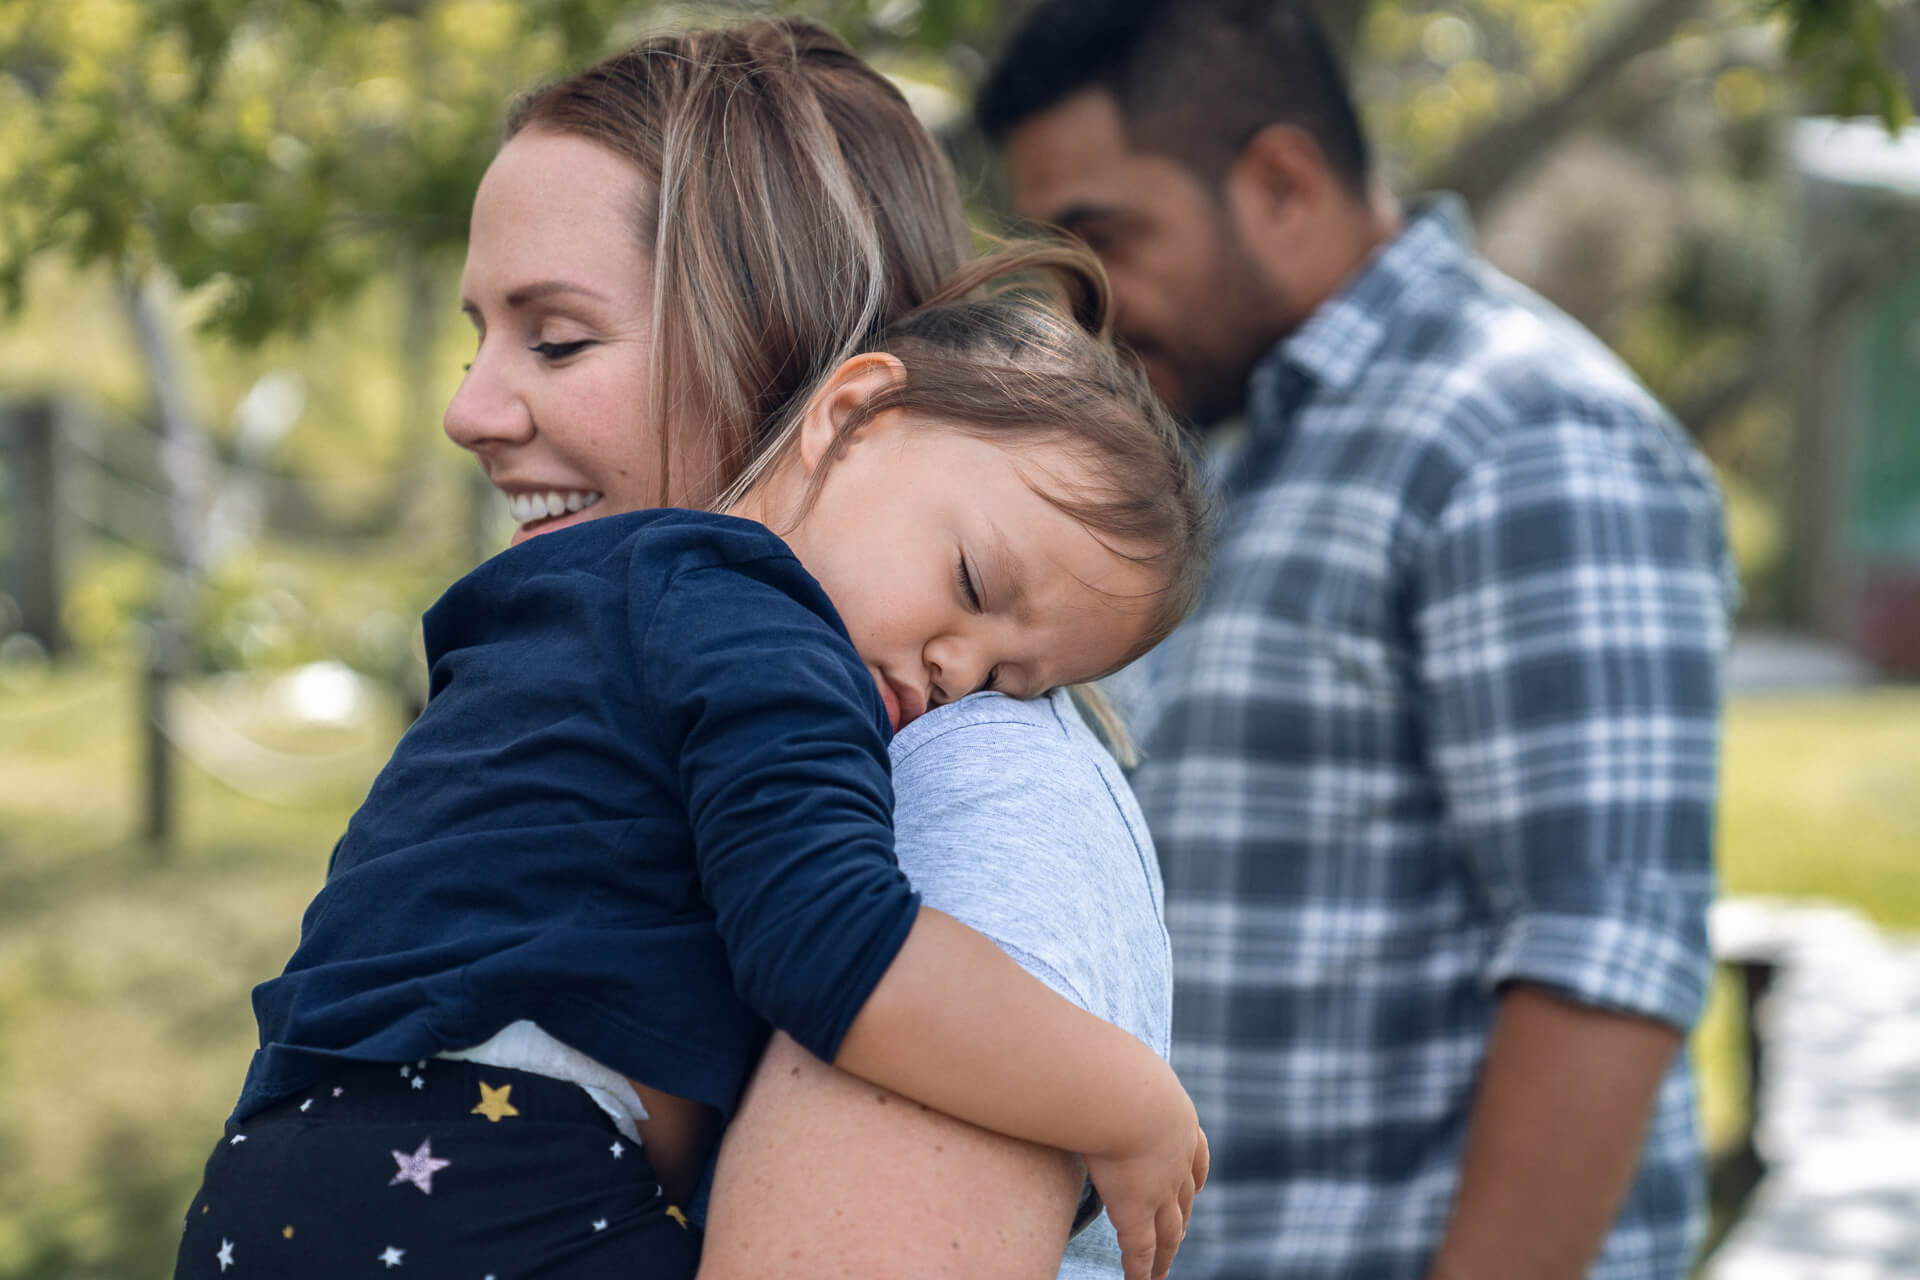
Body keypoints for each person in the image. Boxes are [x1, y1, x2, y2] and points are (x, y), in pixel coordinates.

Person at [175, 21, 1208, 1280]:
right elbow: (827, 943)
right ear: (854, 411)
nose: (466, 411)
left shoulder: (969, 781)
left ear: (784, 347)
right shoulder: (722, 619)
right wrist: (1136, 1101)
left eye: (558, 336)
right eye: (488, 334)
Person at [978, 3, 1737, 1278]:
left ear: (1282, 179)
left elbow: (1600, 961)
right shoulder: (1208, 450)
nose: (1082, 299)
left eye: (1109, 236)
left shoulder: (1526, 439)